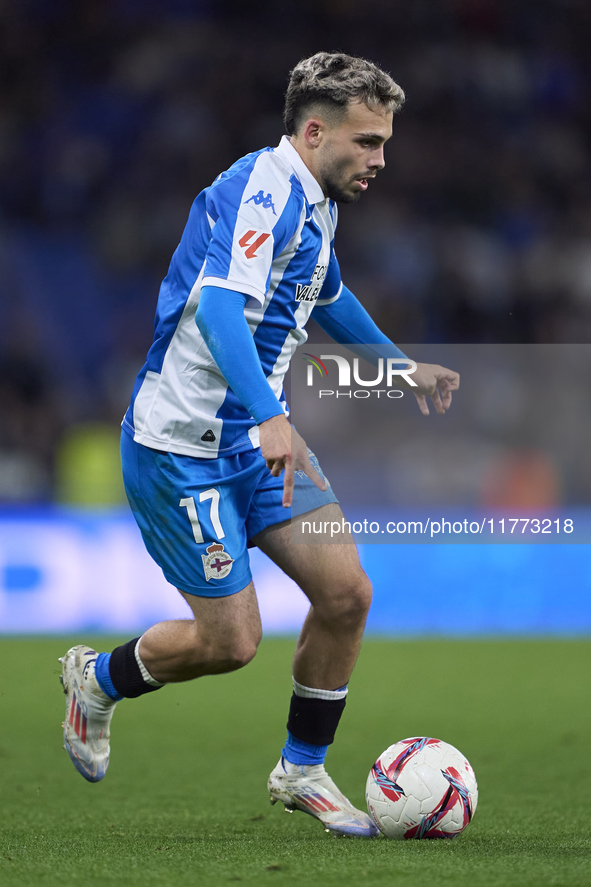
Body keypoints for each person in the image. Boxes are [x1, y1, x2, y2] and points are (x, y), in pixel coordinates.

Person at [59, 52, 459, 838]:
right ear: (314, 131)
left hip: (254, 444)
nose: (380, 159)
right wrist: (268, 413)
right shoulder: (261, 191)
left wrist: (399, 367)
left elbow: (329, 296)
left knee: (347, 593)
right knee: (229, 642)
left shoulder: (317, 201)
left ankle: (301, 768)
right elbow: (216, 312)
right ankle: (96, 677)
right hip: (182, 449)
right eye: (367, 141)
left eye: (383, 142)